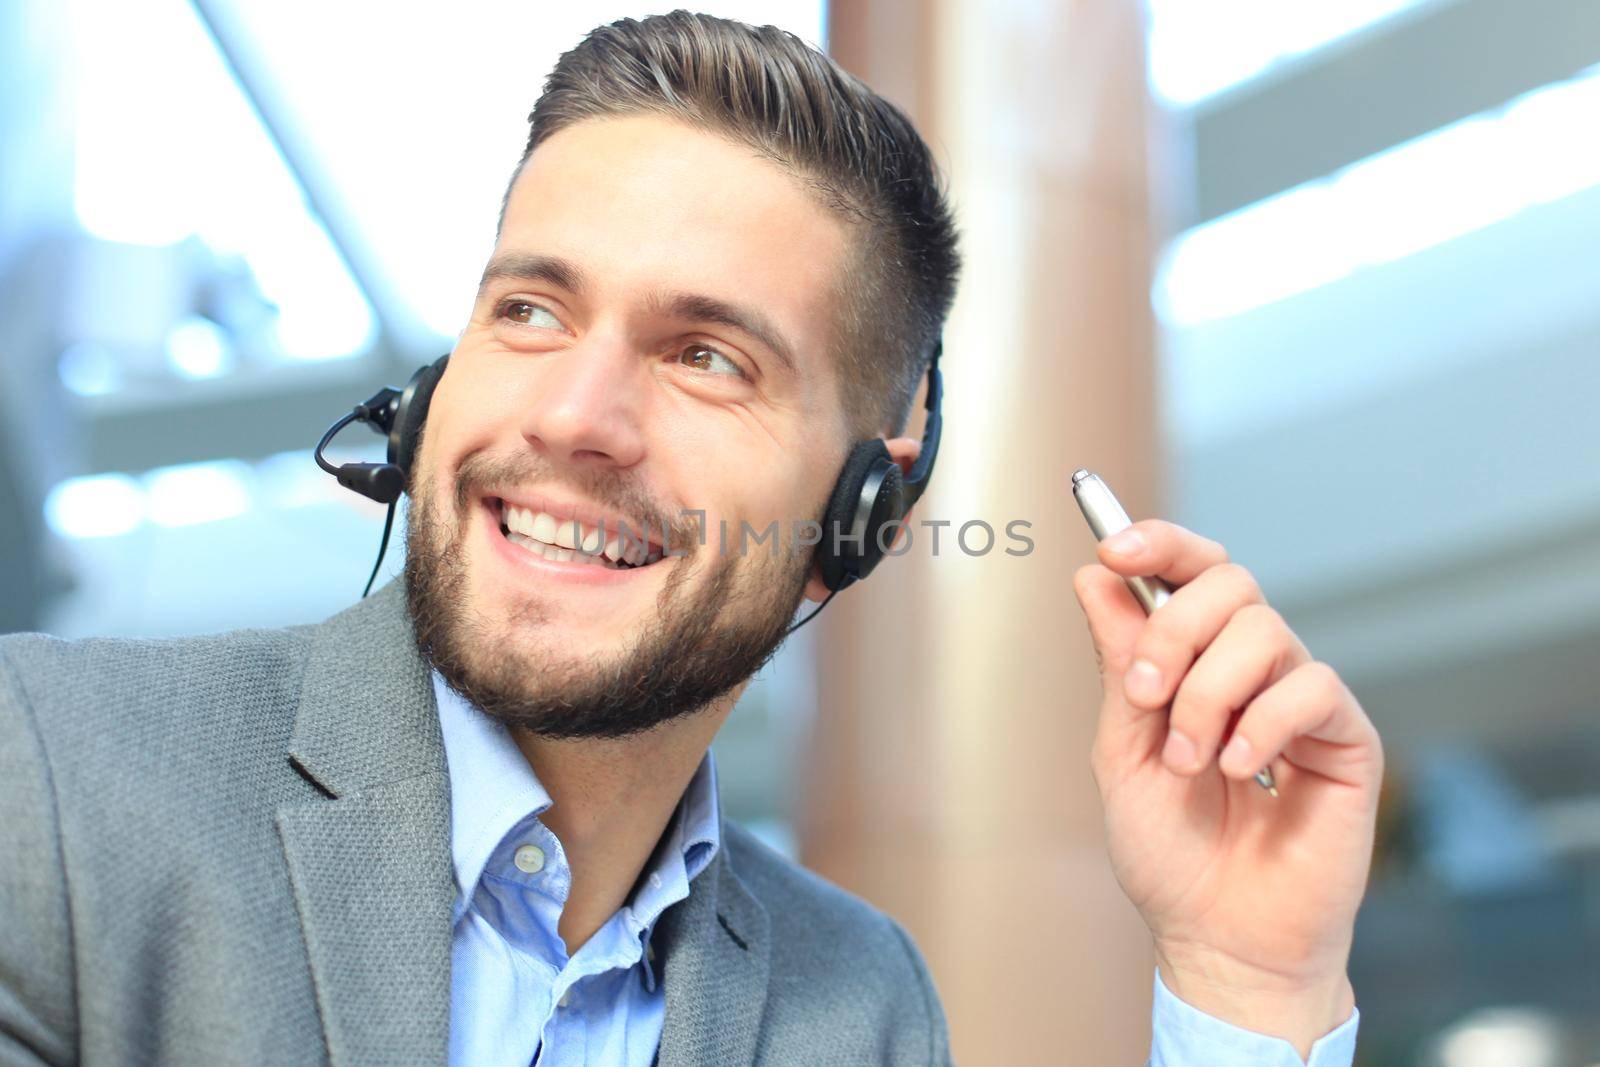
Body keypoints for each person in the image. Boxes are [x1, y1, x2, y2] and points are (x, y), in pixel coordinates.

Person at [0, 12, 1383, 1066]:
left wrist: (1251, 989)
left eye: (707, 355)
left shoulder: (858, 1004)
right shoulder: (47, 784)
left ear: (860, 508)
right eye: (530, 312)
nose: (575, 415)